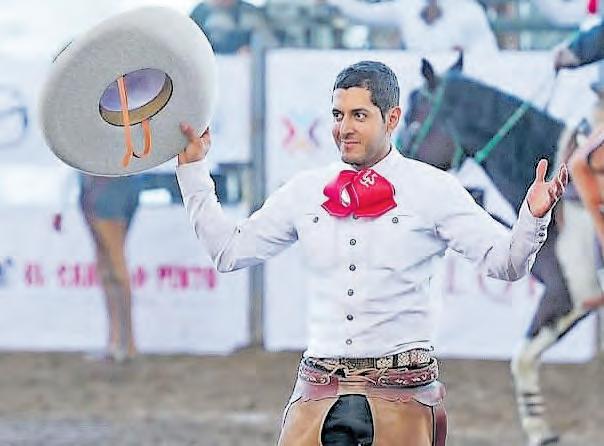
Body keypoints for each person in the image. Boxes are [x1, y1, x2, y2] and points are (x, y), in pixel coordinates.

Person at [176, 61, 566, 445]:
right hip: (317, 392)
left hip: (402, 396)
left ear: (392, 118)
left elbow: (506, 263)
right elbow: (229, 251)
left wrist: (533, 218)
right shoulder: (305, 191)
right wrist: (193, 169)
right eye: (338, 115)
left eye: (359, 115)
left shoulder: (435, 190)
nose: (344, 128)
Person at [55, 174, 142, 362]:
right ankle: (117, 341)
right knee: (109, 265)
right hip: (116, 184)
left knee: (113, 264)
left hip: (103, 186)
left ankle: (126, 342)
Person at [320, 0, 499, 53]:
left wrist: (464, 56)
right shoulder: (406, 6)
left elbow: (489, 53)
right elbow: (368, 13)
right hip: (415, 84)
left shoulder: (470, 10)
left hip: (456, 90)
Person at [189, 0, 274, 54]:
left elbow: (271, 44)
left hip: (250, 71)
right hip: (216, 71)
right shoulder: (199, 14)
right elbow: (192, 52)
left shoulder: (252, 12)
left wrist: (254, 50)